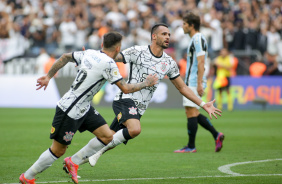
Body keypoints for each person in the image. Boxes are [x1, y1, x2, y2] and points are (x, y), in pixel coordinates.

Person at [66, 23, 222, 179]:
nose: (168, 37)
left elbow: (182, 88)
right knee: (134, 130)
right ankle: (94, 154)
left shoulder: (169, 63)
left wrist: (202, 104)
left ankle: (73, 161)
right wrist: (90, 56)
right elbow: (112, 56)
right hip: (125, 99)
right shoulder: (137, 51)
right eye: (164, 34)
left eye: (169, 34)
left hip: (139, 108)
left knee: (108, 138)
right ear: (154, 36)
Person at [19, 32, 158, 184]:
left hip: (84, 108)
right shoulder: (109, 64)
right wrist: (146, 83)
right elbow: (125, 88)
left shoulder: (89, 53)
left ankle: (73, 161)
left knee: (107, 136)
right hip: (69, 110)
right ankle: (27, 176)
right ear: (118, 48)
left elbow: (65, 56)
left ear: (102, 44)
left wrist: (48, 76)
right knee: (58, 150)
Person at [174, 12, 224, 154]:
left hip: (194, 82)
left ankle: (191, 146)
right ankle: (216, 135)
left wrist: (200, 83)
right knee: (194, 112)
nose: (182, 27)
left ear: (191, 25)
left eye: (184, 24)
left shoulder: (198, 38)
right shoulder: (194, 39)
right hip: (193, 81)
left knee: (190, 112)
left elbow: (202, 61)